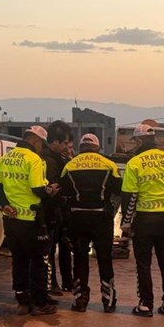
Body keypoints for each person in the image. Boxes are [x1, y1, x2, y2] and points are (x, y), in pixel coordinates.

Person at [0, 125, 58, 316]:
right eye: (42, 145)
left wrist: (4, 205)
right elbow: (38, 188)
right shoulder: (34, 159)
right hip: (33, 220)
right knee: (40, 261)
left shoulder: (4, 159)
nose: (42, 149)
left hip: (11, 220)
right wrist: (51, 191)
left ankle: (22, 300)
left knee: (19, 260)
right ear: (36, 141)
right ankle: (39, 302)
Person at [120, 123, 164, 317]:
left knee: (143, 263)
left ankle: (146, 305)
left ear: (139, 140)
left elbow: (130, 195)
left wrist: (126, 221)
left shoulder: (135, 163)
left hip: (144, 220)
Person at [59, 133, 121, 313]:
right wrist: (111, 208)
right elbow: (119, 190)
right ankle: (108, 302)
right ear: (97, 147)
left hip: (77, 218)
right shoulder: (109, 164)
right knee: (104, 259)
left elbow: (63, 192)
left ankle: (80, 301)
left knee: (79, 259)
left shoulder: (70, 165)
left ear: (80, 147)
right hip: (102, 218)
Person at [41, 120, 75, 294]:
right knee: (50, 248)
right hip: (51, 211)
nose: (66, 148)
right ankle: (51, 283)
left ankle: (66, 282)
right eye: (64, 144)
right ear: (54, 141)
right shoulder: (48, 160)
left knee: (62, 245)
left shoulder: (57, 158)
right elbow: (54, 187)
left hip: (59, 211)